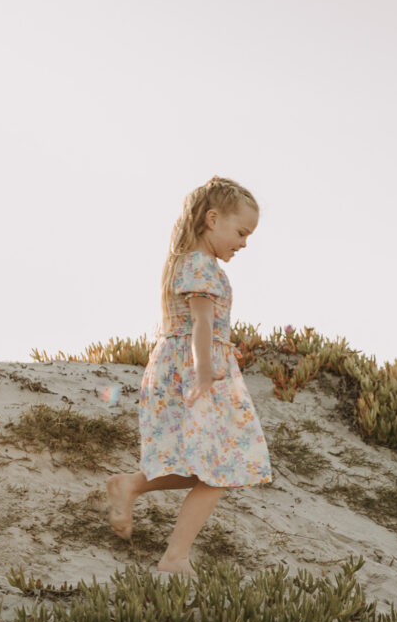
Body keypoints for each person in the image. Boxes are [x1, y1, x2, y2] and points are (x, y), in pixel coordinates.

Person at [107, 176, 273, 572]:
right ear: (212, 219)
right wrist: (204, 372)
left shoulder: (187, 262)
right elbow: (201, 323)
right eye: (241, 232)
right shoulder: (201, 265)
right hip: (196, 369)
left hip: (181, 365)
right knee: (221, 468)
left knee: (201, 466)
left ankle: (131, 485)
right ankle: (175, 557)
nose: (244, 243)